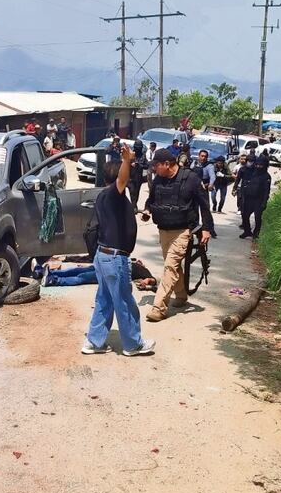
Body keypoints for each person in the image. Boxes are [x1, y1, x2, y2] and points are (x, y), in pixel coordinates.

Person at [83, 144, 155, 356]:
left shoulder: (106, 196)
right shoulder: (113, 194)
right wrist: (126, 161)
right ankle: (133, 344)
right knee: (124, 301)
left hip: (104, 256)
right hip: (114, 258)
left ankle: (93, 343)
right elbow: (122, 180)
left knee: (104, 300)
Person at [142, 148, 213, 322]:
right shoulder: (159, 179)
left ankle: (159, 308)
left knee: (170, 267)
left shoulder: (191, 179)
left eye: (156, 166)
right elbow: (151, 200)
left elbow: (204, 205)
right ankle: (181, 296)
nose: (154, 169)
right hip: (164, 229)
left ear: (167, 164)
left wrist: (206, 228)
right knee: (172, 266)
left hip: (182, 230)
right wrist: (147, 210)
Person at [235, 154, 272, 239]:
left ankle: (256, 234)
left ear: (265, 166)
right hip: (248, 198)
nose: (259, 166)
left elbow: (267, 191)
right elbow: (243, 172)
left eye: (261, 165)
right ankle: (247, 231)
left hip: (259, 200)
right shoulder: (253, 172)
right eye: (257, 164)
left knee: (257, 217)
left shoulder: (266, 176)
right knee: (244, 215)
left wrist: (264, 202)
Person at [129, 139, 147, 211]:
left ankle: (134, 205)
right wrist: (130, 164)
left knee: (136, 192)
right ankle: (133, 206)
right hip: (131, 177)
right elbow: (125, 163)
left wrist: (140, 165)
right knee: (132, 191)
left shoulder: (143, 155)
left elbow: (146, 165)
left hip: (139, 177)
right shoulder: (131, 154)